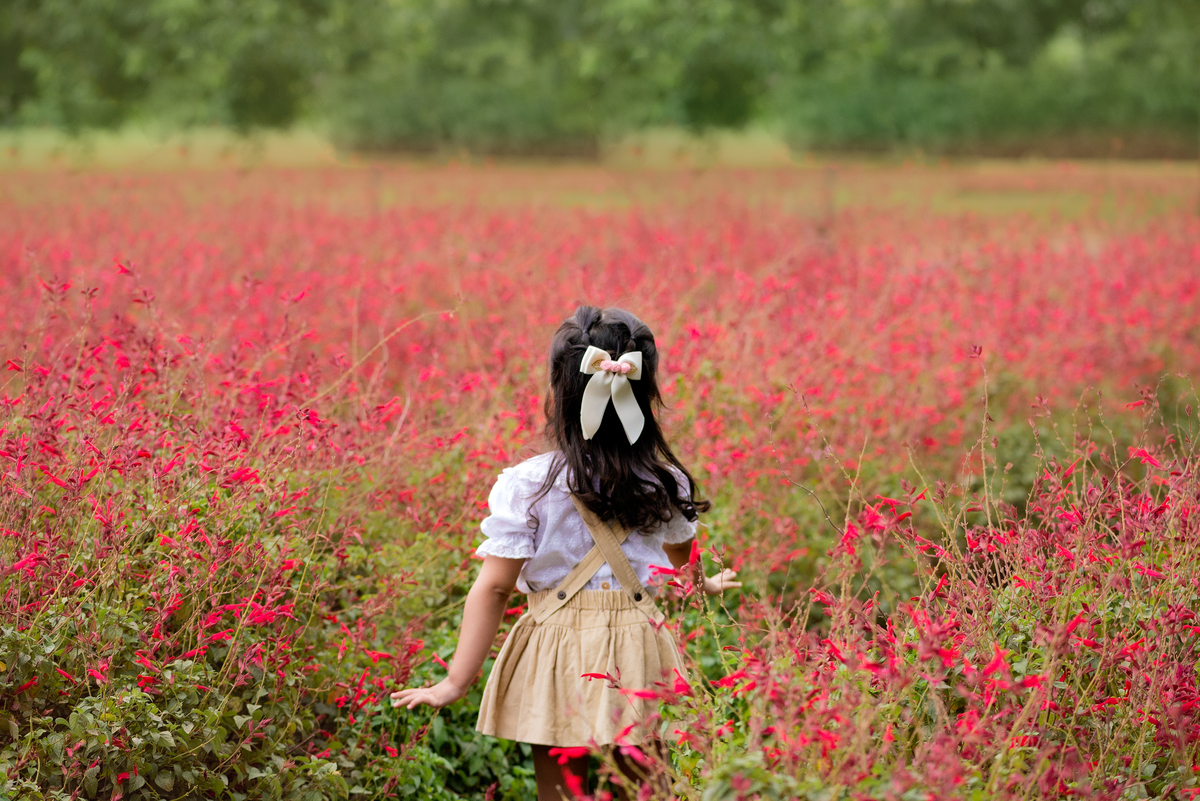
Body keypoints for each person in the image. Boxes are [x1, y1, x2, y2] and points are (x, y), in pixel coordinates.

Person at [392, 306, 740, 800]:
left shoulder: (527, 484)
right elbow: (682, 558)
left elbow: (492, 586)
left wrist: (454, 681)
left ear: (560, 394)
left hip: (555, 646)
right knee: (647, 788)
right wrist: (702, 584)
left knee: (562, 790)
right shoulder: (665, 480)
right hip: (637, 643)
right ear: (646, 393)